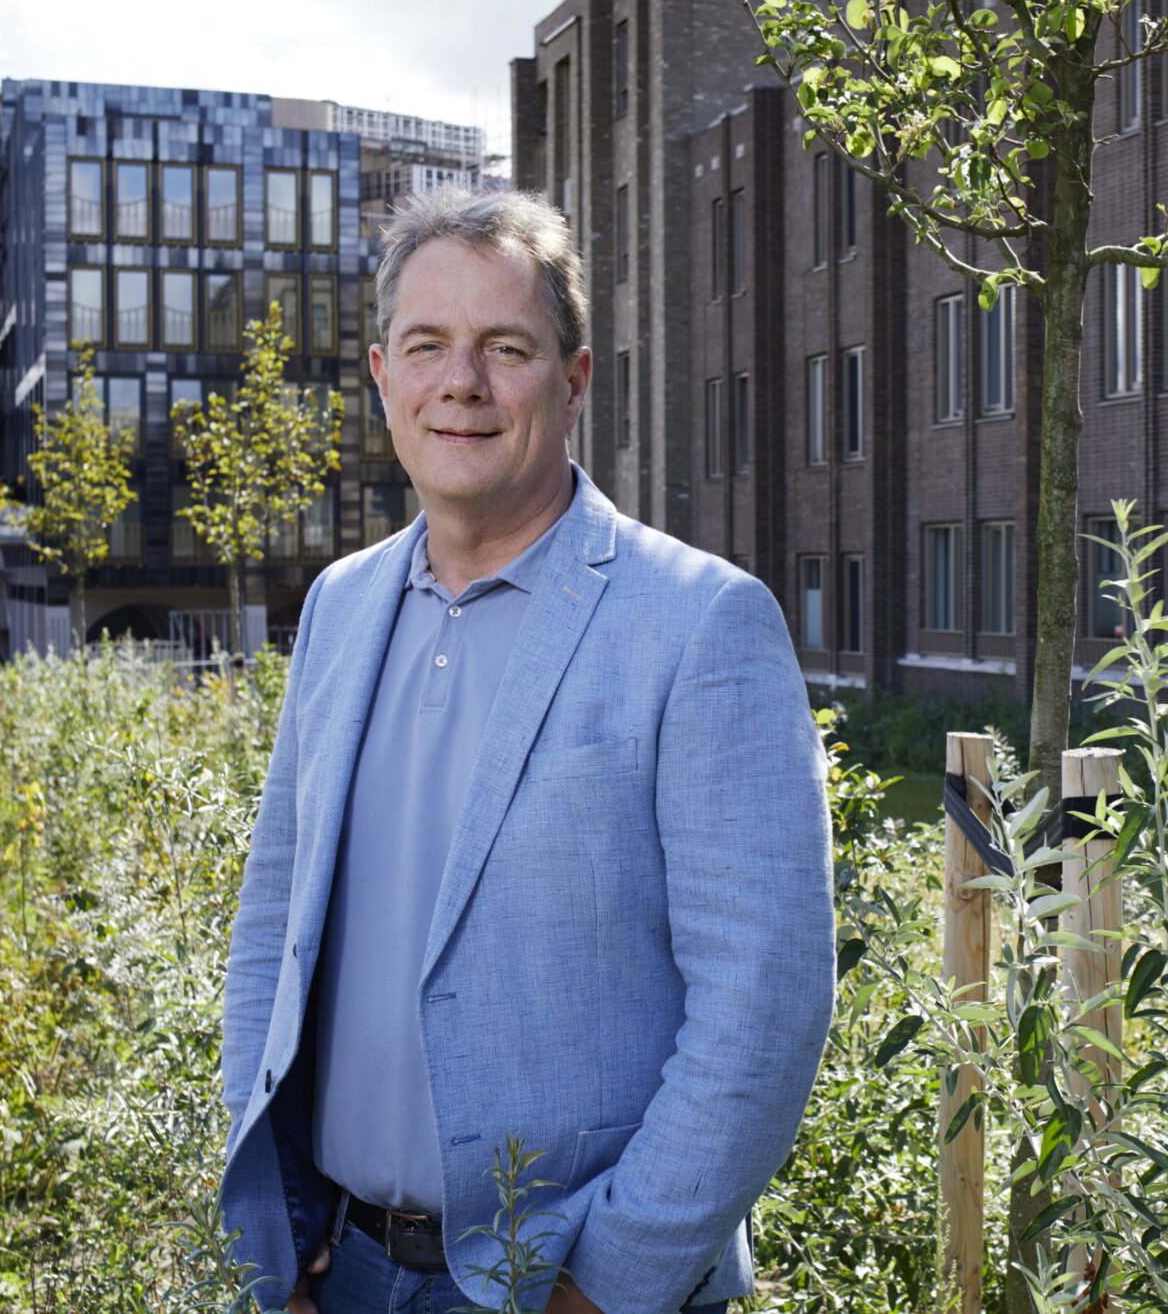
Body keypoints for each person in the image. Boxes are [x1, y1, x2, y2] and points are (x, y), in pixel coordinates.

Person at [216, 187, 834, 1314]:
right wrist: (276, 1242)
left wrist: (606, 1285)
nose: (463, 383)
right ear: (381, 375)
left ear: (575, 380)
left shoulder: (700, 624)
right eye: (428, 348)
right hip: (339, 1268)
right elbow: (273, 933)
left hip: (565, 1282)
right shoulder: (340, 609)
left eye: (506, 348)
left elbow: (764, 1005)